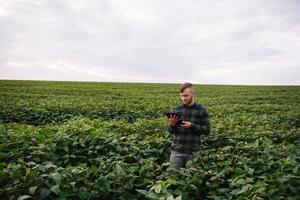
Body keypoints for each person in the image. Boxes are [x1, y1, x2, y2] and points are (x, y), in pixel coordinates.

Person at [167, 82, 211, 169]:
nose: (184, 98)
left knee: (192, 178)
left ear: (193, 94)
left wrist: (192, 126)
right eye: (182, 96)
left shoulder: (201, 110)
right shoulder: (176, 109)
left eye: (186, 95)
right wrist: (172, 125)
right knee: (172, 175)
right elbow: (170, 131)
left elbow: (207, 130)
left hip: (193, 152)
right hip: (177, 150)